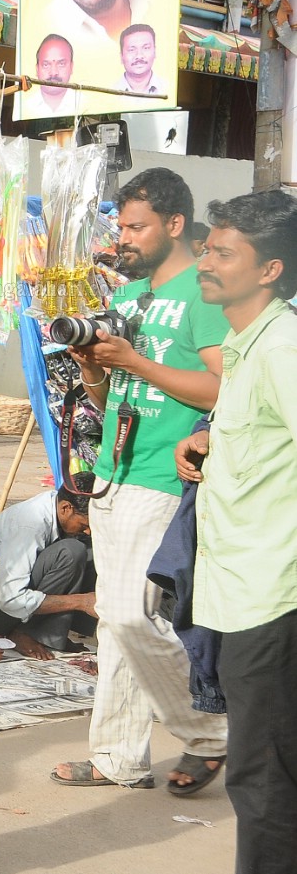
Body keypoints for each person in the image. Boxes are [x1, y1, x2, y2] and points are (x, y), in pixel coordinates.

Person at [52, 167, 228, 792]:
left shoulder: (205, 295)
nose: (122, 238)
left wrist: (135, 360)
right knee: (113, 622)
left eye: (136, 226)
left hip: (164, 476)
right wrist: (93, 367)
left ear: (174, 225)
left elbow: (222, 386)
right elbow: (109, 392)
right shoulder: (125, 300)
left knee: (130, 615)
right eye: (120, 226)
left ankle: (211, 730)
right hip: (112, 474)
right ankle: (117, 759)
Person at [177, 190, 297, 872]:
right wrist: (206, 440)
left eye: (224, 251)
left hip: (271, 596)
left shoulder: (282, 347)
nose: (208, 259)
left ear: (270, 269)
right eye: (209, 245)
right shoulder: (245, 346)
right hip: (242, 591)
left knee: (263, 782)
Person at [0, 476, 97, 661]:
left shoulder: (59, 508)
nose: (88, 531)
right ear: (66, 508)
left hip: (15, 596)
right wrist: (80, 602)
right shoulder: (30, 523)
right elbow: (11, 599)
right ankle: (22, 633)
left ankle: (50, 636)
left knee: (93, 549)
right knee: (70, 552)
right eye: (84, 525)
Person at [22, 35, 80, 118]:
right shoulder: (27, 107)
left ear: (71, 67)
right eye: (46, 65)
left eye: (61, 64)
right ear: (37, 69)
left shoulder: (84, 104)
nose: (53, 73)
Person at [112, 23, 168, 96]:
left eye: (146, 48)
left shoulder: (168, 89)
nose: (139, 56)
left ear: (155, 52)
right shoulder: (109, 93)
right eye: (131, 50)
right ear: (121, 56)